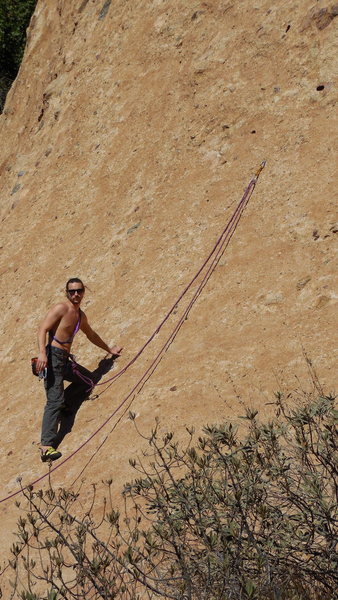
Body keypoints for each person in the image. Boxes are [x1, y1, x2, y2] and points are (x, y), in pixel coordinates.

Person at [36, 278, 122, 463]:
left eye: (79, 291)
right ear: (66, 292)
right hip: (52, 358)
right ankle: (46, 446)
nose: (76, 294)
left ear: (84, 291)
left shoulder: (80, 316)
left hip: (64, 359)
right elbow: (42, 329)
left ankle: (65, 404)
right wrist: (42, 354)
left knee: (88, 381)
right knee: (54, 400)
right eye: (72, 291)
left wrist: (109, 350)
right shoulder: (62, 308)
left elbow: (91, 334)